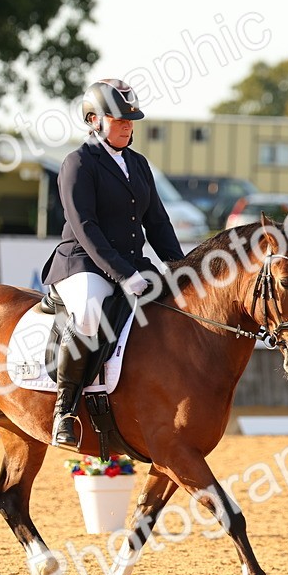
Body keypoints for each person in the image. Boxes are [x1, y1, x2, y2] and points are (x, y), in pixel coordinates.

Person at [40, 78, 186, 449]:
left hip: (133, 264)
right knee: (90, 313)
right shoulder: (77, 164)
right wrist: (123, 274)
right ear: (93, 120)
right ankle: (65, 410)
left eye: (130, 119)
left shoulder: (138, 165)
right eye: (119, 118)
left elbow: (158, 223)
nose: (127, 125)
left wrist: (182, 266)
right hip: (82, 264)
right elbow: (84, 226)